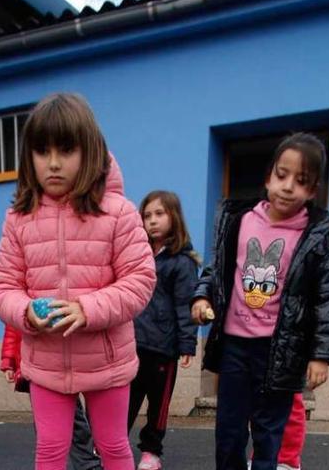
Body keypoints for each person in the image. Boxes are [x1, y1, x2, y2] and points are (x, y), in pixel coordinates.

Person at [0, 92, 156, 470]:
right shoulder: (19, 218)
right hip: (45, 362)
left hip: (107, 362)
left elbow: (141, 280)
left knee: (113, 447)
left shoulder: (118, 212)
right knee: (49, 450)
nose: (52, 163)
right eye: (41, 151)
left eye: (66, 149)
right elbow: (2, 288)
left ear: (90, 152)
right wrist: (27, 312)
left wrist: (87, 309)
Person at [190, 132, 329, 470]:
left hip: (280, 350)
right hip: (234, 346)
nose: (288, 187)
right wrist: (202, 297)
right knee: (228, 432)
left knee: (268, 434)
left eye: (301, 181)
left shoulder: (318, 236)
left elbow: (328, 296)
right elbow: (216, 269)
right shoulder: (239, 220)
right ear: (268, 177)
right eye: (282, 175)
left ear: (313, 191)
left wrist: (321, 355)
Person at [128, 191, 200, 470]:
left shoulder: (182, 262)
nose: (152, 221)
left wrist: (186, 345)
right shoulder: (138, 256)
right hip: (133, 344)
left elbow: (186, 306)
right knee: (126, 401)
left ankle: (151, 452)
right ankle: (113, 444)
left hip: (164, 348)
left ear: (174, 217)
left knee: (158, 404)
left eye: (159, 214)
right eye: (147, 215)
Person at [1, 325, 103, 470]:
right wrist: (9, 360)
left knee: (74, 419)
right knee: (46, 430)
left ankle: (87, 464)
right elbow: (13, 326)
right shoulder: (23, 303)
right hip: (34, 367)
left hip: (60, 364)